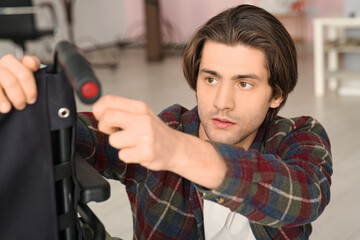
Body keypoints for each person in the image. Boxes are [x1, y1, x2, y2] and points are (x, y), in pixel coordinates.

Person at [0, 4, 332, 240]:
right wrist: (18, 102)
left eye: (244, 83)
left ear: (276, 94)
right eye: (211, 79)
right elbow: (66, 132)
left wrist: (178, 153)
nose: (221, 102)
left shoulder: (299, 136)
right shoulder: (165, 129)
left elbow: (303, 197)